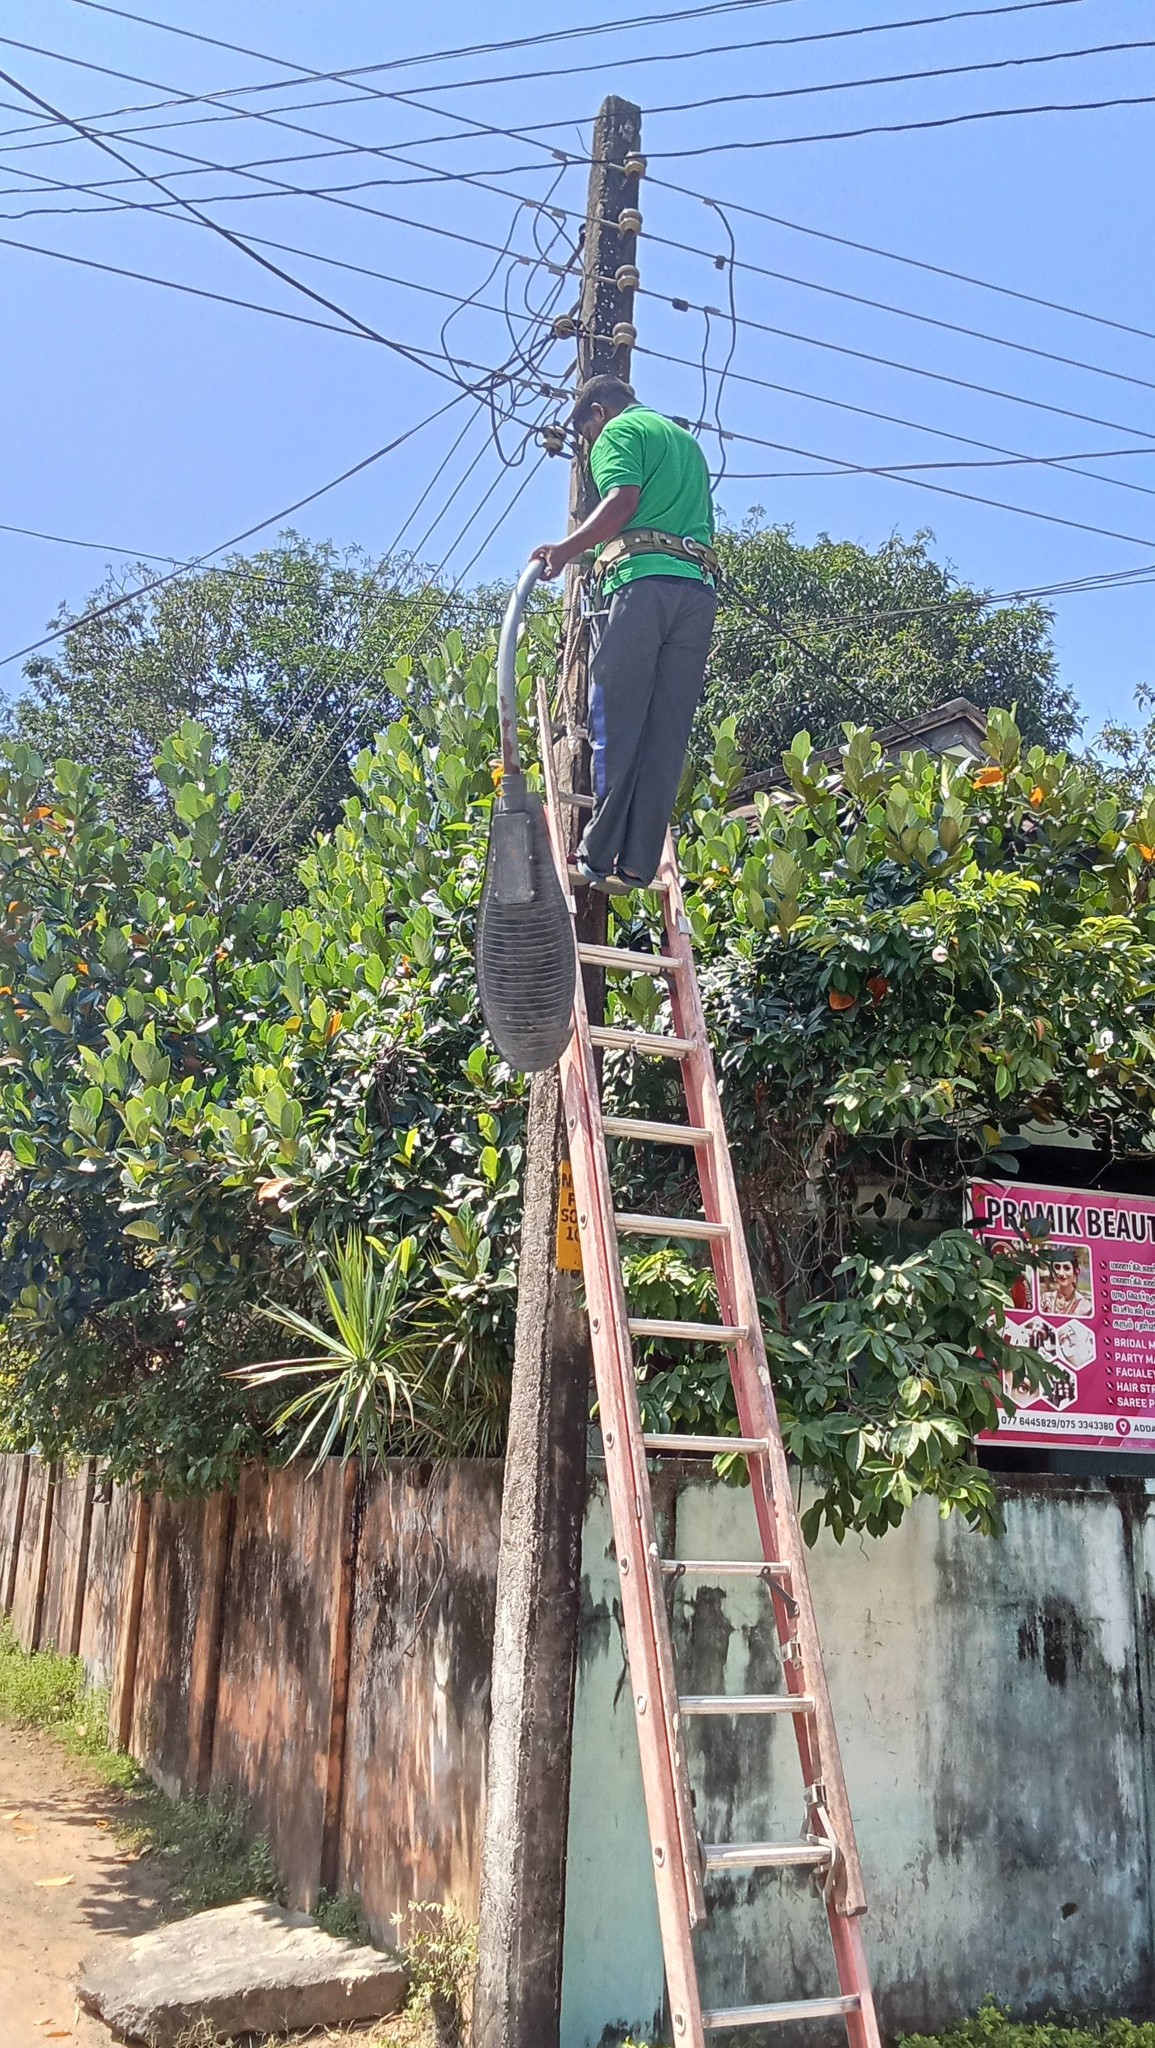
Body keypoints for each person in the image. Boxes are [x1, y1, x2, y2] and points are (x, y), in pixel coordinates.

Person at [531, 375, 718, 893]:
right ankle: (637, 863)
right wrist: (597, 552)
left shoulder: (618, 433)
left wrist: (565, 550)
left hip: (643, 589)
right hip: (696, 591)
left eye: (587, 435)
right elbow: (660, 519)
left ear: (596, 413)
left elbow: (622, 502)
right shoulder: (685, 443)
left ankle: (596, 853)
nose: (591, 446)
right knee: (666, 730)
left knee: (616, 712)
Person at [1038, 1252, 1093, 1318]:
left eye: (1066, 1268)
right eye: (1057, 1267)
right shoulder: (1046, 1298)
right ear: (1053, 1273)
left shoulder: (1085, 1306)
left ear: (1075, 1272)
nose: (1061, 1273)